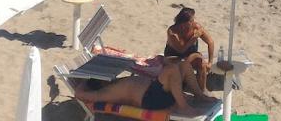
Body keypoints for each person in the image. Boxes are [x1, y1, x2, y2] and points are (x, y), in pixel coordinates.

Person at [72, 60, 205, 115]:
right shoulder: (105, 92)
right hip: (152, 100)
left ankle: (200, 96)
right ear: (100, 82)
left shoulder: (115, 83)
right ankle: (183, 106)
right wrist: (85, 81)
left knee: (184, 65)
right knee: (171, 69)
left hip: (156, 92)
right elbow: (79, 94)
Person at [163, 8, 215, 96]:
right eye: (191, 21)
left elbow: (210, 42)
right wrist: (193, 39)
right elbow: (181, 50)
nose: (193, 22)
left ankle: (202, 91)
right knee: (182, 64)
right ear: (183, 22)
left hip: (190, 55)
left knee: (201, 64)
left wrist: (210, 62)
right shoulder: (172, 32)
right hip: (174, 56)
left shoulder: (196, 27)